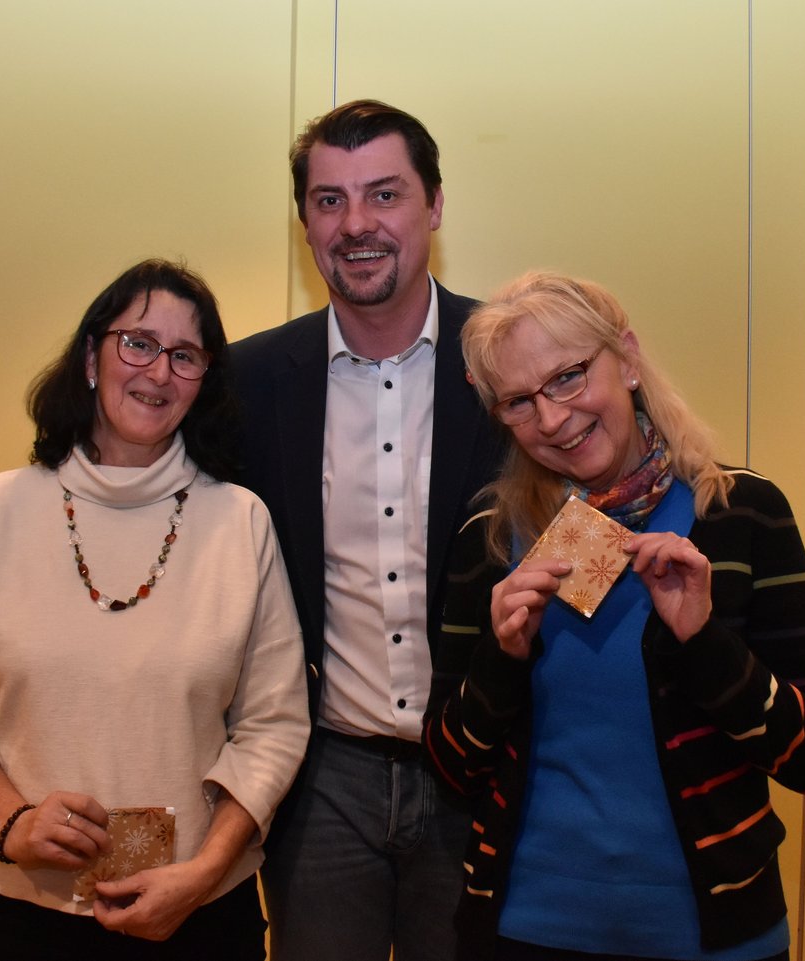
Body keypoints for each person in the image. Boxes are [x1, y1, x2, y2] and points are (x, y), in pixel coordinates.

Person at [424, 270, 805, 961]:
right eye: (519, 402)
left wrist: (704, 641)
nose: (553, 419)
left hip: (712, 931)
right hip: (525, 926)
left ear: (624, 358)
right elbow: (448, 765)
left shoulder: (739, 513)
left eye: (567, 377)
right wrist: (499, 661)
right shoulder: (491, 533)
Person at [0, 259, 309, 961]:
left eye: (185, 356)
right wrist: (12, 824)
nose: (158, 371)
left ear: (203, 381)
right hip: (22, 913)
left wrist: (203, 872)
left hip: (200, 914)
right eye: (138, 342)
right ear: (92, 356)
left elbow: (273, 725)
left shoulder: (240, 521)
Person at [230, 100, 504, 961]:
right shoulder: (248, 381)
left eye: (383, 194)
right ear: (304, 221)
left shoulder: (510, 362)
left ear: (433, 205)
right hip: (321, 785)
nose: (356, 224)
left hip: (485, 772)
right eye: (328, 201)